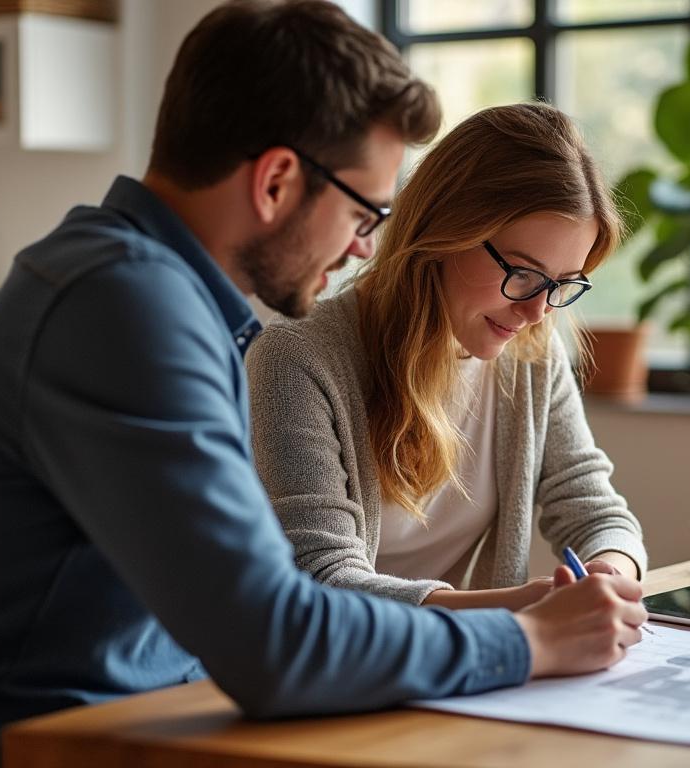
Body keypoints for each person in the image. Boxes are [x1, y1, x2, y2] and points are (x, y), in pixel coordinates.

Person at [0, 3, 645, 766]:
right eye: (362, 211)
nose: (365, 246)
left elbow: (259, 616)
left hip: (150, 719)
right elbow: (276, 637)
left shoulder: (154, 295)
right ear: (276, 181)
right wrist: (528, 638)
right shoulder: (123, 307)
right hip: (43, 746)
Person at [246, 102, 647, 612]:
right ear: (443, 234)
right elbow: (322, 579)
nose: (536, 312)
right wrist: (518, 612)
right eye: (522, 273)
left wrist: (609, 573)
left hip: (476, 655)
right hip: (347, 658)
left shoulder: (531, 354)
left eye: (562, 284)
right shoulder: (296, 359)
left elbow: (594, 509)